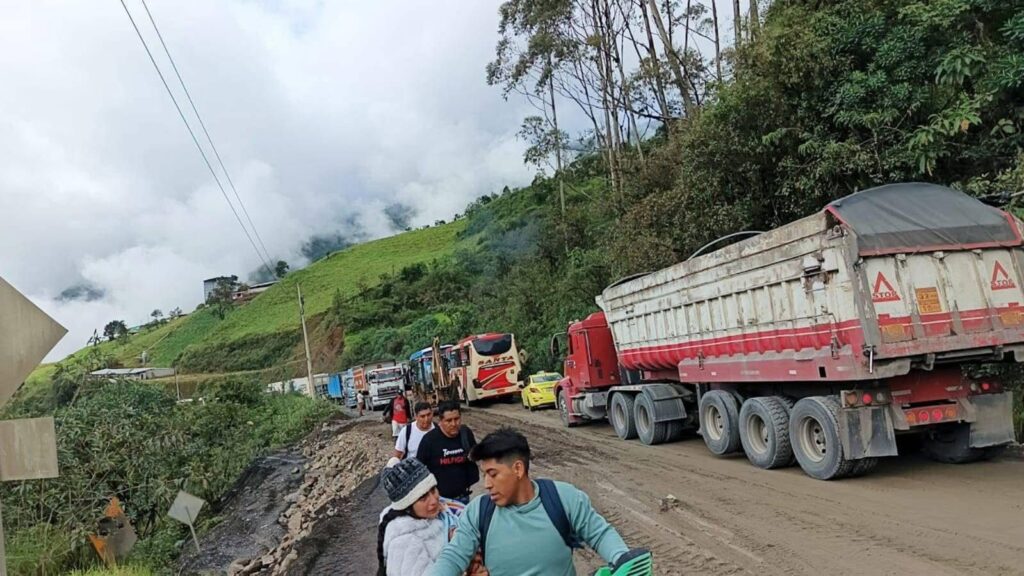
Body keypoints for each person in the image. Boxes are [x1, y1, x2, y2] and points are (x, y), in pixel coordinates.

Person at [428, 427, 629, 576]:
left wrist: (621, 558)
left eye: (493, 474)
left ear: (518, 469)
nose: (487, 484)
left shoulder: (562, 498)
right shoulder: (478, 512)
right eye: (484, 475)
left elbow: (600, 534)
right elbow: (454, 556)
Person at [377, 457, 480, 576]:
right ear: (407, 506)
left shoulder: (442, 511)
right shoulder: (404, 544)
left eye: (433, 490)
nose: (434, 500)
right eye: (423, 497)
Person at [416, 401, 478, 503]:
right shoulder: (429, 440)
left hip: (463, 497)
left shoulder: (466, 433)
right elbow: (419, 469)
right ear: (440, 421)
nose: (454, 424)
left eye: (457, 419)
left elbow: (477, 455)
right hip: (439, 500)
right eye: (448, 420)